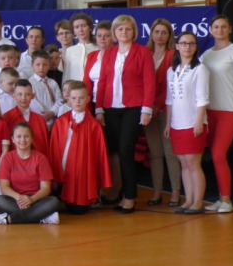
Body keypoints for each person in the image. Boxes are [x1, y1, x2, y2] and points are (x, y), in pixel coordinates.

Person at [95, 14, 155, 213]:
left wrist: (147, 109)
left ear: (134, 31)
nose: (124, 32)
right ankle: (118, 193)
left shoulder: (143, 52)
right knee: (114, 151)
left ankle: (130, 197)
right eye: (120, 29)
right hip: (110, 108)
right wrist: (99, 108)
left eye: (128, 29)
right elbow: (102, 82)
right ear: (114, 32)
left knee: (126, 150)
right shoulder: (109, 53)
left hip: (134, 108)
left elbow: (149, 82)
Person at [200, 15, 233, 214]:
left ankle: (226, 200)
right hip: (209, 111)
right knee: (213, 156)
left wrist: (227, 97)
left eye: (223, 27)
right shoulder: (206, 55)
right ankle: (221, 198)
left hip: (228, 111)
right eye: (216, 27)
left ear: (230, 29)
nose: (219, 30)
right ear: (210, 30)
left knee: (218, 154)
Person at [48, 81, 112, 214]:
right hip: (64, 167)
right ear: (68, 99)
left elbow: (99, 154)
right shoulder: (61, 121)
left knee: (79, 210)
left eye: (81, 98)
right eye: (74, 98)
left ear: (88, 99)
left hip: (83, 170)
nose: (77, 101)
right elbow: (54, 150)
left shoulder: (94, 125)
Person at [165, 33, 210, 215]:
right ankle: (189, 200)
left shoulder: (200, 69)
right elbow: (169, 100)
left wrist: (199, 121)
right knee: (184, 164)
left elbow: (202, 98)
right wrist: (168, 124)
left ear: (196, 47)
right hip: (177, 123)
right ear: (177, 46)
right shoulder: (171, 71)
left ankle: (197, 202)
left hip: (193, 122)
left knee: (193, 163)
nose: (187, 47)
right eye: (183, 43)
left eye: (191, 44)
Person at [0, 124, 60, 225]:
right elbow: (4, 187)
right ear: (13, 139)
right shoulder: (7, 158)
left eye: (26, 136)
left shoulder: (41, 158)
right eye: (19, 136)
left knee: (54, 201)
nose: (22, 140)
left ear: (32, 139)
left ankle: (8, 219)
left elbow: (46, 188)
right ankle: (41, 217)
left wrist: (31, 199)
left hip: (36, 200)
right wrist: (19, 198)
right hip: (16, 200)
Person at [144, 18, 180, 206]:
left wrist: (157, 104)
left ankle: (175, 192)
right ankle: (157, 191)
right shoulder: (145, 53)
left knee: (170, 153)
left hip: (167, 109)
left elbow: (172, 84)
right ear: (151, 34)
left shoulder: (173, 55)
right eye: (157, 32)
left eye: (164, 32)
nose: (160, 35)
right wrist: (149, 106)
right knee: (155, 154)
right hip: (148, 111)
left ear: (169, 35)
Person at [62, 13, 97, 83]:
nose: (80, 30)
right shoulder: (70, 50)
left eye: (83, 26)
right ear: (74, 31)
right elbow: (67, 73)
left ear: (90, 28)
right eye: (77, 27)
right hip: (74, 87)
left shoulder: (97, 49)